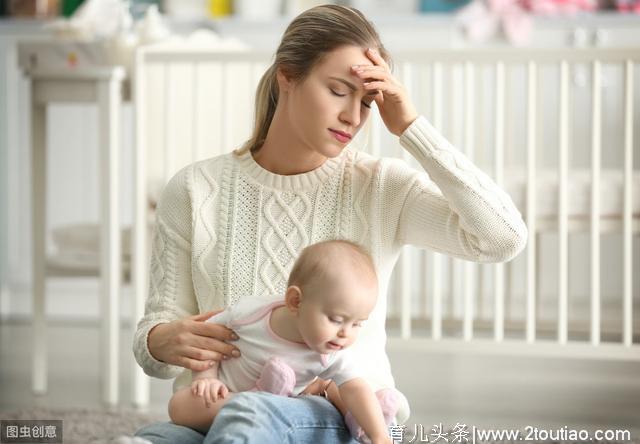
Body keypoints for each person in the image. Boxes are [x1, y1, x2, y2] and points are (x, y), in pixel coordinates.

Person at [134, 4, 528, 444]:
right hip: (214, 413)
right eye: (338, 90)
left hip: (342, 418)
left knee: (250, 420)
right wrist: (160, 341)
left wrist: (412, 128)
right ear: (288, 74)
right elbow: (159, 339)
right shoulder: (194, 188)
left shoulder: (382, 187)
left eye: (366, 101)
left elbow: (502, 238)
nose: (354, 117)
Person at [168, 240, 399, 444]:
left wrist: (380, 436)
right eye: (336, 320)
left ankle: (360, 422)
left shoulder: (332, 350)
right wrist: (206, 379)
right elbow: (205, 335)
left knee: (341, 394)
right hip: (224, 397)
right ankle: (260, 399)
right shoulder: (250, 314)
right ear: (295, 301)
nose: (345, 334)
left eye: (357, 324)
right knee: (178, 407)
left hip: (278, 411)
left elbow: (356, 388)